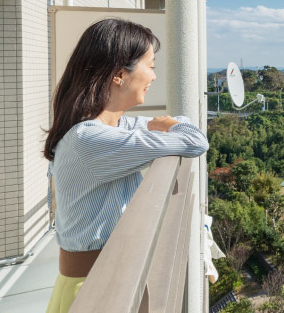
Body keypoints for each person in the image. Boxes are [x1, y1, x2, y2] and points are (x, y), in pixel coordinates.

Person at [43, 19, 208, 313]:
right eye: (151, 65)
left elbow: (185, 131)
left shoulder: (114, 127)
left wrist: (170, 125)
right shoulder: (91, 139)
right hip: (94, 288)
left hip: (103, 278)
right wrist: (171, 124)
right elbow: (195, 140)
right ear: (120, 74)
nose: (154, 77)